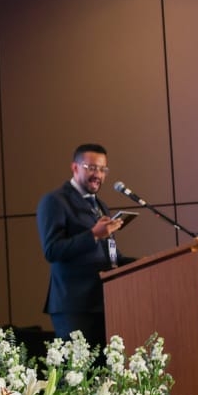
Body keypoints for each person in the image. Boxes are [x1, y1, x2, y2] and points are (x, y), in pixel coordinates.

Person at [37, 143, 132, 345]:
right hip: (74, 306)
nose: (97, 174)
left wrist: (148, 262)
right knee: (78, 373)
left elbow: (108, 256)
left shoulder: (99, 205)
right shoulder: (55, 201)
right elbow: (52, 250)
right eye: (91, 168)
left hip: (103, 303)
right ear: (75, 167)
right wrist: (93, 235)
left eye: (102, 169)